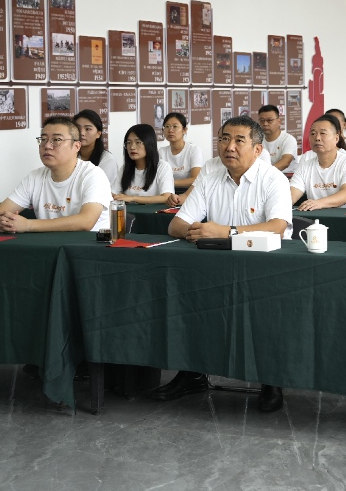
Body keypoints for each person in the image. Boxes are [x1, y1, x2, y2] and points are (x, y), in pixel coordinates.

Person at [158, 116, 292, 409]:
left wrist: (225, 232)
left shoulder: (274, 179)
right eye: (224, 139)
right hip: (216, 265)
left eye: (239, 140)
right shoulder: (209, 177)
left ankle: (271, 380)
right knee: (191, 298)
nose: (229, 147)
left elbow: (277, 227)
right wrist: (200, 232)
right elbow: (176, 225)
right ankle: (192, 373)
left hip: (264, 267)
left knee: (265, 312)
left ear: (257, 149)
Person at [0, 116, 112, 232]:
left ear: (77, 146)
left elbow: (86, 222)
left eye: (57, 140)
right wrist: (7, 223)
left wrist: (28, 225)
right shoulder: (35, 177)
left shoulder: (93, 175)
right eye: (43, 139)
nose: (47, 146)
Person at [290, 114, 346, 210]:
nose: (317, 138)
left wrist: (319, 203)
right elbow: (291, 196)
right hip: (316, 217)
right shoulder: (305, 166)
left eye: (323, 133)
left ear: (336, 138)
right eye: (313, 134)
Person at [112, 124, 174, 204]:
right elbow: (114, 193)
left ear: (149, 144)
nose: (132, 147)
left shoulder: (163, 167)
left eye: (138, 142)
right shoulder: (125, 168)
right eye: (129, 143)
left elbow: (166, 197)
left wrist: (132, 198)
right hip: (129, 211)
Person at [158, 112, 202, 193]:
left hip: (189, 193)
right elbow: (157, 178)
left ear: (184, 130)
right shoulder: (161, 152)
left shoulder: (193, 150)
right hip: (167, 192)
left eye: (175, 126)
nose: (170, 130)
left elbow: (196, 179)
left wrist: (169, 183)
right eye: (167, 126)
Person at [73, 110, 118, 184]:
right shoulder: (68, 155)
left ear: (98, 134)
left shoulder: (107, 160)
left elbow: (99, 186)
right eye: (78, 128)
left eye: (88, 129)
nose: (82, 133)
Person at [258, 104, 297, 173]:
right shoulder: (257, 140)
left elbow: (285, 162)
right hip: (265, 176)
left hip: (287, 176)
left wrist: (266, 173)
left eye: (270, 120)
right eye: (262, 120)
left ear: (279, 122)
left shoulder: (288, 139)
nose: (265, 124)